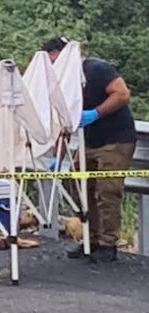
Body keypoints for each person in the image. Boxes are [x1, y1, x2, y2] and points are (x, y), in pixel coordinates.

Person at [43, 37, 136, 262]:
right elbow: (66, 120)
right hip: (90, 141)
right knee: (79, 187)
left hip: (115, 139)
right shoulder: (64, 82)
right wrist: (58, 156)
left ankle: (108, 243)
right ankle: (91, 237)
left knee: (107, 191)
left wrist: (96, 113)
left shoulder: (96, 69)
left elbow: (122, 94)